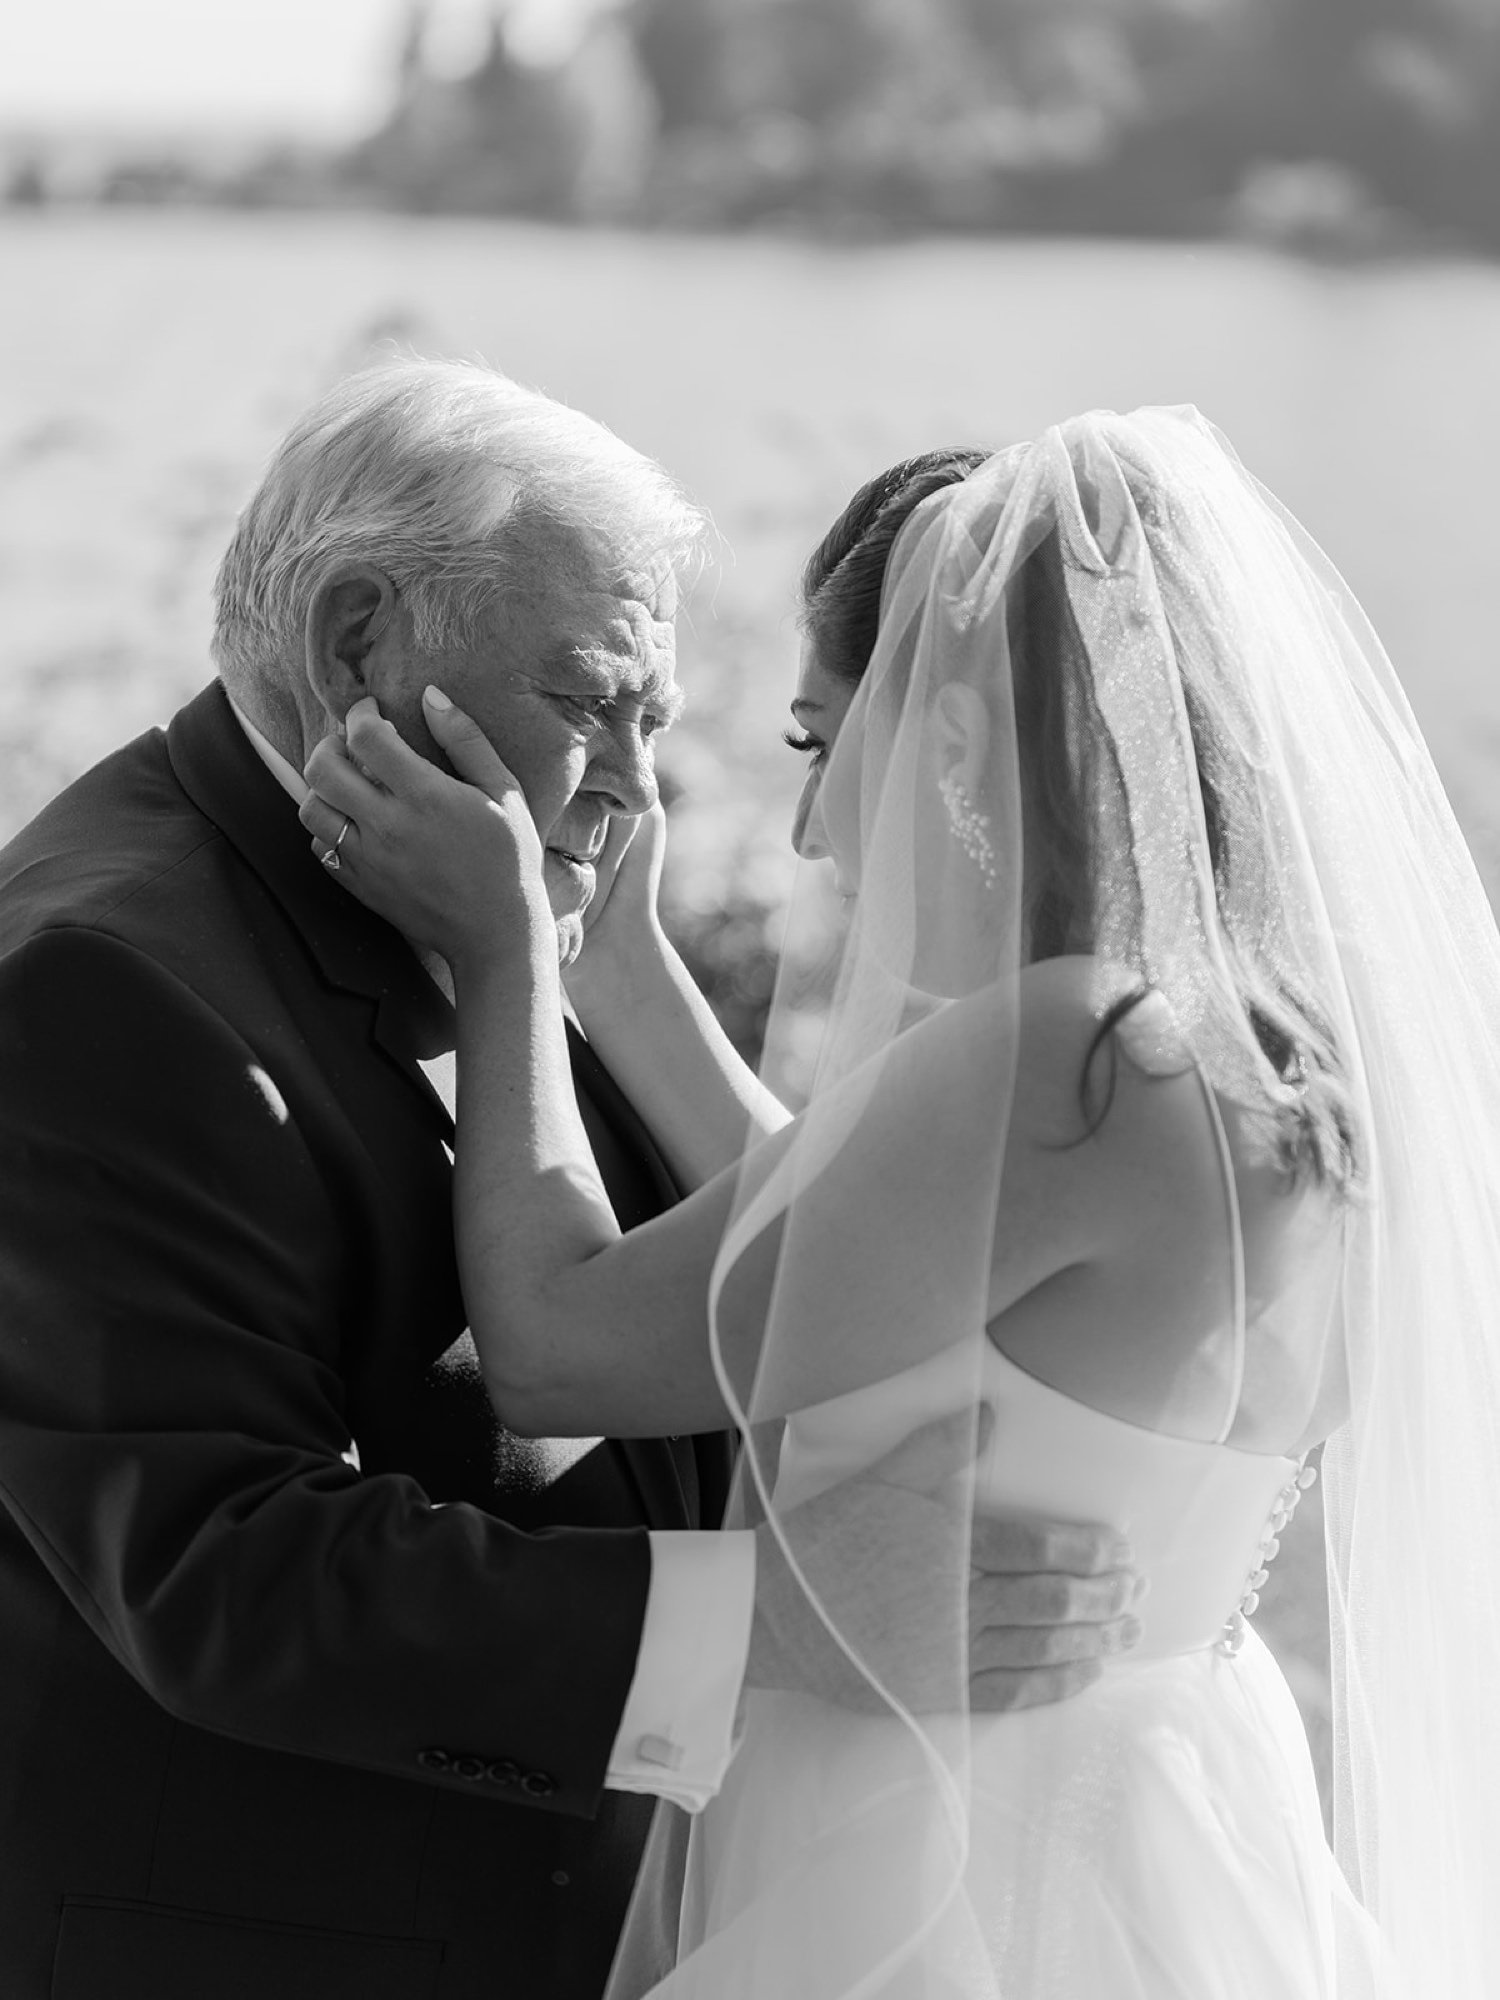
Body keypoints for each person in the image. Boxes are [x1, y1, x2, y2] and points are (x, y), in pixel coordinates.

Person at [303, 404, 1500, 1997]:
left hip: (944, 1871)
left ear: (944, 732)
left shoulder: (1064, 1055)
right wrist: (631, 960)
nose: (808, 830)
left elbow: (561, 1349)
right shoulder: (1252, 1046)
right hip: (1173, 1815)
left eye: (819, 743)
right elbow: (850, 1261)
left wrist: (511, 952)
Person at [0, 359, 1133, 2000]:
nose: (633, 778)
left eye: (654, 720)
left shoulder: (505, 902)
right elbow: (220, 1574)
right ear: (355, 644)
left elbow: (748, 1275)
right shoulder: (94, 987)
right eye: (592, 698)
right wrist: (779, 1627)